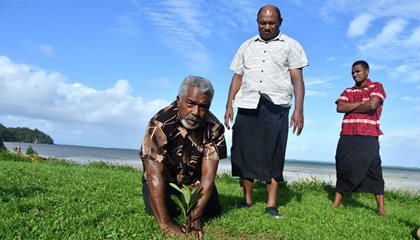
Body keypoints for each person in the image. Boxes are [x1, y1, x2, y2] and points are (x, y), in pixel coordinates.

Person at [224, 4, 308, 218]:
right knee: (243, 152)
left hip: (276, 105)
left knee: (275, 153)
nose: (267, 26)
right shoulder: (246, 46)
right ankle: (247, 200)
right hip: (247, 103)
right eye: (263, 22)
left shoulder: (291, 45)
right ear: (257, 22)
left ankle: (271, 204)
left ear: (280, 22)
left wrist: (298, 109)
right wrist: (228, 105)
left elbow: (297, 79)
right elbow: (238, 77)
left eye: (271, 23)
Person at [140, 76, 227, 238]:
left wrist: (195, 219)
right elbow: (154, 174)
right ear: (179, 100)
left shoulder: (214, 128)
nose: (195, 112)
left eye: (203, 107)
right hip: (164, 180)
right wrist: (166, 224)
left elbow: (208, 177)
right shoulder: (160, 123)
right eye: (190, 104)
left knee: (212, 210)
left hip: (194, 181)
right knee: (159, 211)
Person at [333, 60, 386, 216]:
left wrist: (354, 105)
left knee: (374, 169)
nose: (355, 74)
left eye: (358, 71)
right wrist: (362, 103)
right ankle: (336, 203)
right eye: (353, 72)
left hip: (369, 134)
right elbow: (339, 107)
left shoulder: (376, 87)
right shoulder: (348, 90)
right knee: (343, 165)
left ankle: (381, 210)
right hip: (348, 133)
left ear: (367, 71)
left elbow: (372, 105)